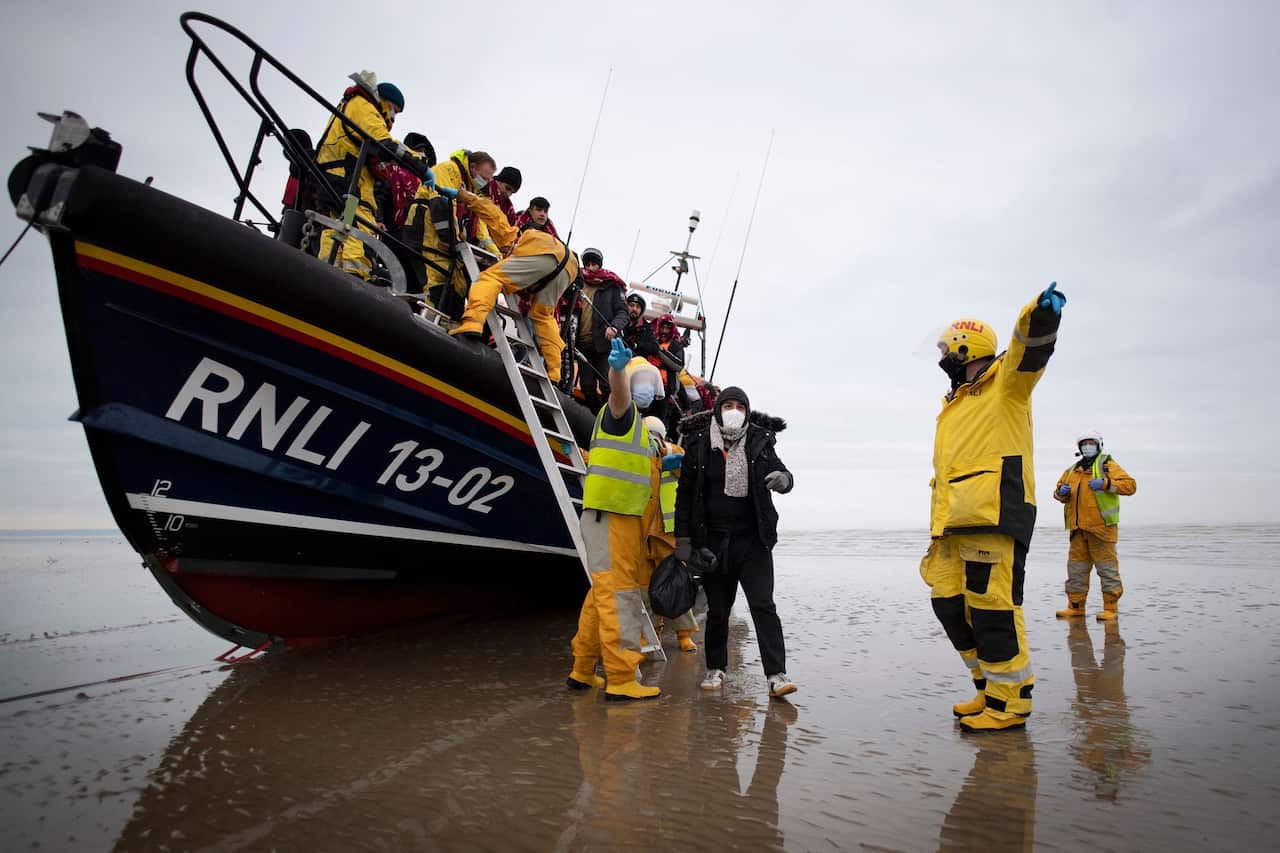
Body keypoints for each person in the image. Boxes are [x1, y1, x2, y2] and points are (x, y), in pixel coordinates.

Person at [919, 283, 1066, 732]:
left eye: (947, 347)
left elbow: (1028, 348)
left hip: (994, 513)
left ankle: (1011, 703)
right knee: (948, 602)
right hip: (953, 522)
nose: (942, 354)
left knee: (993, 608)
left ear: (967, 345)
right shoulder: (956, 402)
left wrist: (1038, 314)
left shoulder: (1006, 382)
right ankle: (986, 686)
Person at [674, 386, 797, 697]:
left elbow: (782, 472)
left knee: (763, 605)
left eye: (739, 406)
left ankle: (777, 675)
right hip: (713, 543)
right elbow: (684, 496)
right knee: (718, 610)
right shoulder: (699, 443)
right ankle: (716, 669)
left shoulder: (760, 440)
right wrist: (684, 540)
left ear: (746, 410)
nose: (734, 411)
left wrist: (784, 480)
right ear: (717, 409)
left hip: (753, 541)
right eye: (727, 405)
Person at [567, 339, 664, 701]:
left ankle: (582, 669)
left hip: (612, 520)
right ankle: (622, 678)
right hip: (612, 518)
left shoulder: (641, 433)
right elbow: (619, 396)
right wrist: (620, 372)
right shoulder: (622, 416)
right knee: (619, 595)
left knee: (601, 596)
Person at [314, 74, 424, 280]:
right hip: (347, 182)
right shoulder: (363, 107)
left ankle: (329, 274)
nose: (393, 116)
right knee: (358, 230)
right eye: (394, 109)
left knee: (337, 228)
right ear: (383, 101)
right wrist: (419, 165)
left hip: (338, 178)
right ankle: (353, 278)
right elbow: (383, 141)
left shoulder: (352, 105)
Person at [447, 226, 580, 382]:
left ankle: (472, 323)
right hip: (569, 267)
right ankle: (554, 370)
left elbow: (495, 219)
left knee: (490, 278)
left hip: (545, 253)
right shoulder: (548, 239)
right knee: (542, 315)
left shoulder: (520, 238)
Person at [1053, 431, 1137, 621]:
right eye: (1084, 444)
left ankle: (1110, 609)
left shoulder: (1107, 465)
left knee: (1107, 570)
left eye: (1091, 443)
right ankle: (1075, 607)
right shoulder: (1072, 470)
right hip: (1078, 531)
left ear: (1099, 445)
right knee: (1076, 572)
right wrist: (1061, 492)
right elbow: (1058, 494)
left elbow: (1130, 486)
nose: (1087, 446)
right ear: (1079, 448)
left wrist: (1106, 484)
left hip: (1101, 530)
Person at [402, 148, 498, 315]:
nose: (486, 182)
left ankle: (449, 324)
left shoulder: (469, 188)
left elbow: (480, 230)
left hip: (445, 241)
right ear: (473, 167)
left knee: (456, 286)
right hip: (428, 234)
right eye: (484, 177)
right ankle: (433, 323)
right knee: (437, 281)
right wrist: (451, 241)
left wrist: (496, 257)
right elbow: (440, 204)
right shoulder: (449, 169)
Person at [641, 415, 700, 652]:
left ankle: (684, 634)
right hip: (643, 534)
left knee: (674, 586)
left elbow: (683, 463)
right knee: (644, 589)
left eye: (654, 434)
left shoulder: (674, 452)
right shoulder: (638, 456)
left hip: (667, 534)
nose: (651, 439)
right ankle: (647, 635)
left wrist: (662, 450)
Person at [571, 247, 629, 412]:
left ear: (600, 265)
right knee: (587, 385)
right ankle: (595, 416)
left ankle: (610, 415)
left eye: (594, 264)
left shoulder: (611, 286)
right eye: (587, 264)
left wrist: (614, 327)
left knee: (606, 385)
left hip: (604, 345)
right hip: (583, 344)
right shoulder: (577, 282)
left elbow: (623, 312)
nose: (590, 268)